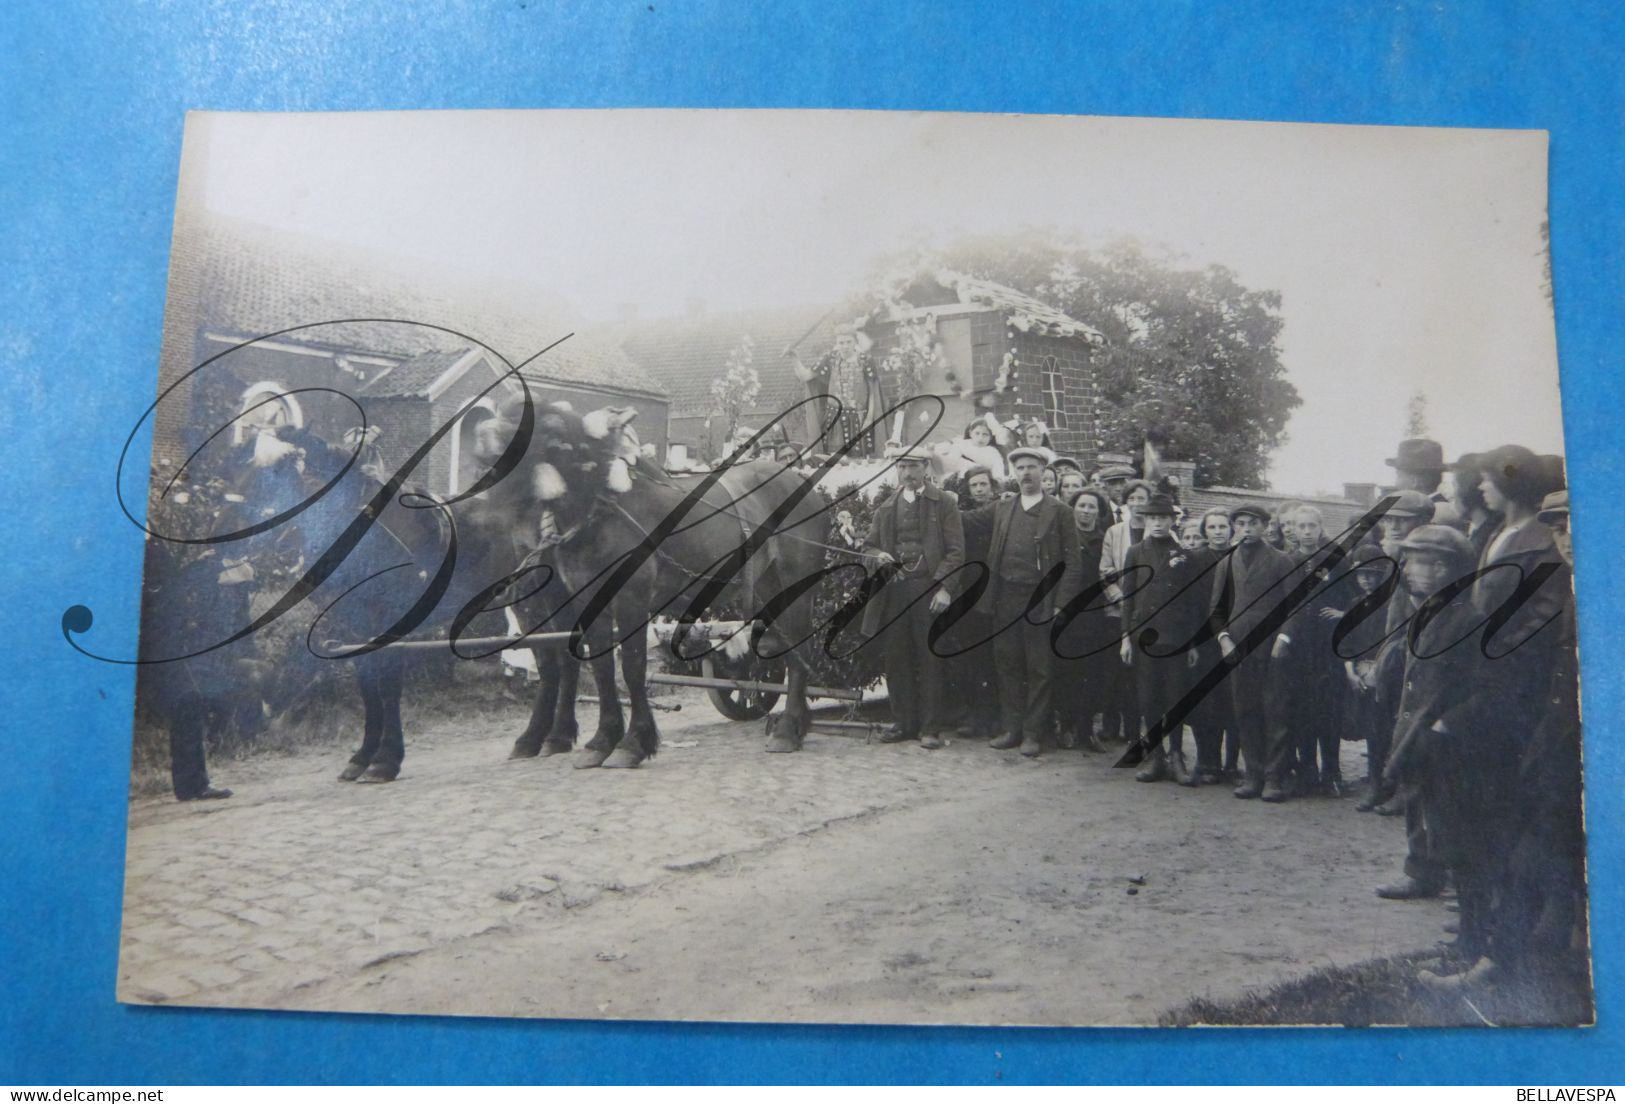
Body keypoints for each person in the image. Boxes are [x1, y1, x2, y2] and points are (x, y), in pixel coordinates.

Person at [1378, 526, 1515, 987]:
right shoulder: (1430, 611)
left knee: (1469, 851)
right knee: (1453, 847)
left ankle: (1476, 942)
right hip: (1432, 750)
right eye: (1411, 559)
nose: (1411, 568)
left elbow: (1491, 689)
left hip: (1460, 754)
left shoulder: (1470, 616)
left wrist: (1445, 727)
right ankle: (1467, 941)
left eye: (1419, 560)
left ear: (1444, 567)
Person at [861, 444, 966, 749]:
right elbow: (866, 548)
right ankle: (904, 723)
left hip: (929, 590)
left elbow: (956, 551)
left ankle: (930, 728)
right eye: (902, 467)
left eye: (914, 467)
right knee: (896, 658)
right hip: (894, 593)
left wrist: (946, 588)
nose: (907, 473)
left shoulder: (943, 503)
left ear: (926, 468)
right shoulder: (886, 507)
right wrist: (878, 555)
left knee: (930, 657)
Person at [986, 446, 1085, 757]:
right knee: (1007, 663)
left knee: (1039, 667)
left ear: (1044, 472)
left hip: (1040, 599)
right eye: (1020, 468)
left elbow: (1072, 563)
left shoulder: (1060, 511)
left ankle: (1033, 733)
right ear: (1013, 473)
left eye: (1032, 467)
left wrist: (1060, 604)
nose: (1026, 473)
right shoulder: (1004, 507)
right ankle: (1011, 728)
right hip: (1006, 596)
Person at [1119, 493, 1208, 784]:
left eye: (1163, 518)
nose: (1157, 523)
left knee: (1175, 696)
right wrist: (1125, 638)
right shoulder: (1135, 553)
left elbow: (1194, 603)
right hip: (1144, 638)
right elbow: (1128, 598)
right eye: (1152, 517)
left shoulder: (1185, 555)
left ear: (1172, 520)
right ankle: (1154, 756)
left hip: (1176, 638)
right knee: (1148, 697)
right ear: (1145, 519)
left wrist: (1193, 642)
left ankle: (1177, 756)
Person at [1209, 502, 1296, 801]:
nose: (1247, 529)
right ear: (1235, 527)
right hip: (1237, 647)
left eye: (1253, 523)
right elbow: (1217, 608)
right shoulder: (1226, 563)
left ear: (1265, 527)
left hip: (1271, 648)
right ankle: (1253, 774)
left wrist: (1284, 638)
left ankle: (1274, 778)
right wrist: (1223, 639)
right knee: (1245, 710)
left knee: (1275, 710)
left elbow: (1294, 605)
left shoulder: (1281, 560)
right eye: (1242, 523)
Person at [1056, 487, 1116, 752]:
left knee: (1094, 673)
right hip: (1069, 611)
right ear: (1073, 509)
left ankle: (1086, 730)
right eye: (1082, 506)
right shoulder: (1064, 537)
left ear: (1099, 513)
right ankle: (1066, 726)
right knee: (1068, 670)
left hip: (1096, 614)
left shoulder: (1105, 539)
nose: (1086, 511)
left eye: (1092, 507)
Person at [1099, 480, 1154, 742]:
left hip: (1147, 615)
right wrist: (1122, 600)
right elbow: (1106, 571)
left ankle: (1136, 730)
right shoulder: (1114, 532)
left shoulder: (1161, 533)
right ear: (1126, 502)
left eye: (1142, 499)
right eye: (1132, 499)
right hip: (1116, 613)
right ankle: (1111, 724)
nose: (1137, 504)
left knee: (1138, 674)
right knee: (1113, 671)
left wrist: (1142, 606)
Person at [790, 323, 886, 457]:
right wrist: (794, 357)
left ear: (855, 342)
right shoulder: (830, 359)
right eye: (841, 342)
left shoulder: (865, 360)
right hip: (835, 420)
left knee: (859, 461)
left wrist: (869, 418)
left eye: (848, 342)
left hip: (859, 418)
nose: (845, 346)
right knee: (835, 460)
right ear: (836, 343)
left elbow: (872, 393)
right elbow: (805, 376)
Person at [1451, 452, 1503, 555]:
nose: (1452, 495)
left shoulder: (1484, 540)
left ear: (1467, 489)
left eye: (1455, 486)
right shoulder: (1493, 529)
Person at [946, 413, 1010, 481]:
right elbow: (950, 464)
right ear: (970, 433)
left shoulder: (994, 453)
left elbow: (998, 475)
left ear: (991, 437)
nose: (980, 438)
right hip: (960, 479)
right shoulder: (961, 444)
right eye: (977, 433)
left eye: (985, 434)